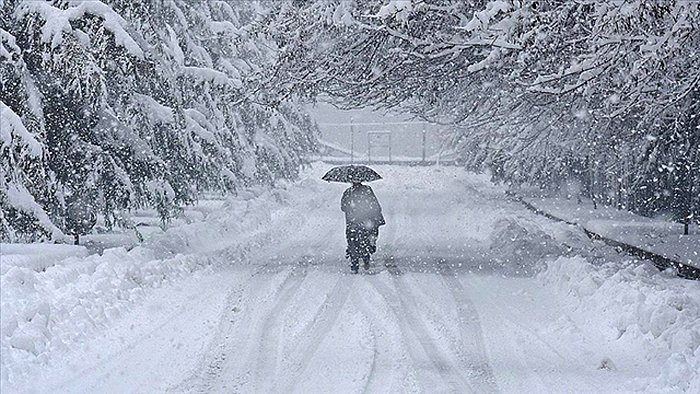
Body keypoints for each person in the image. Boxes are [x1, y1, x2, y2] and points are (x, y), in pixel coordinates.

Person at [341, 181, 385, 273]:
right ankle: (365, 258)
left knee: (353, 242)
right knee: (364, 240)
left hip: (353, 222)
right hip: (365, 221)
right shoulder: (367, 190)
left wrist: (351, 208)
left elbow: (343, 207)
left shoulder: (348, 192)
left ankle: (355, 263)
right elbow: (374, 204)